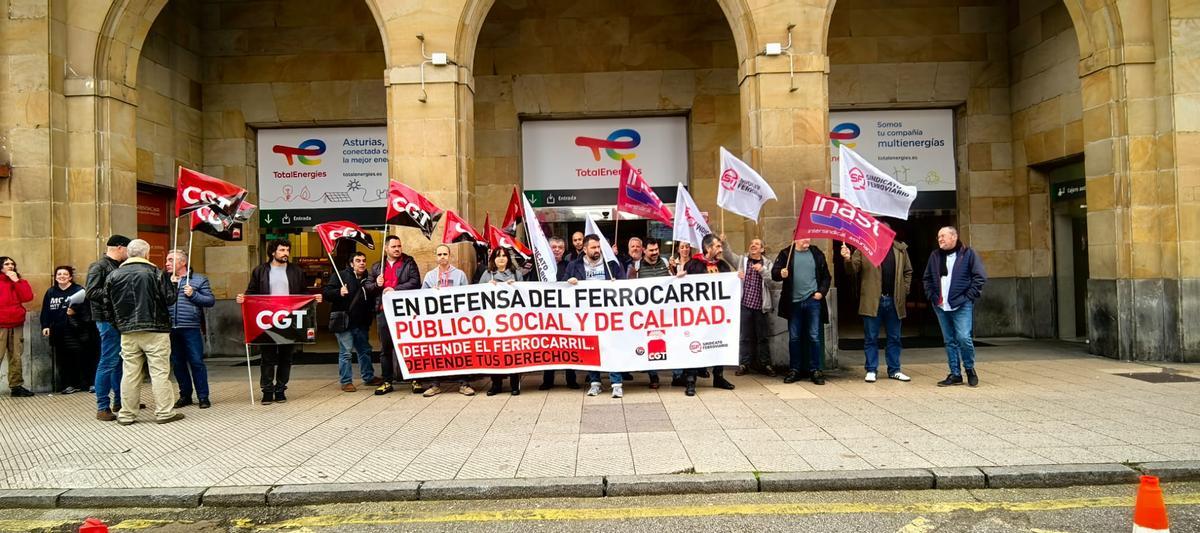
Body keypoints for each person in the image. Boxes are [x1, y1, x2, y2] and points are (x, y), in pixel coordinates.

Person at [106, 239, 183, 425]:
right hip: (155, 329)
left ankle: (126, 415)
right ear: (147, 254)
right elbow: (170, 300)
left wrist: (119, 325)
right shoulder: (156, 273)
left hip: (127, 331)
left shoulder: (114, 275)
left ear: (129, 253)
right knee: (159, 372)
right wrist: (173, 285)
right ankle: (164, 412)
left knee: (130, 373)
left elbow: (107, 305)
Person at [237, 239, 320, 404]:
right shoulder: (260, 271)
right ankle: (267, 390)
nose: (286, 253)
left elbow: (303, 293)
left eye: (287, 250)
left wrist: (313, 298)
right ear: (273, 252)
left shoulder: (296, 271)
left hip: (288, 319)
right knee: (267, 356)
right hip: (268, 319)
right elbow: (251, 292)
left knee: (286, 356)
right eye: (282, 250)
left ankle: (281, 389)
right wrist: (243, 298)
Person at [922, 226, 987, 387]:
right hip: (941, 305)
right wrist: (931, 295)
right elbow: (927, 278)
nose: (940, 239)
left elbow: (979, 277)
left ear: (954, 237)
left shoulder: (968, 254)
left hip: (961, 304)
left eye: (943, 236)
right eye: (938, 237)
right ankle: (955, 374)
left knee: (964, 338)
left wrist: (968, 297)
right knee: (949, 340)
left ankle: (970, 369)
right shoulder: (935, 256)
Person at [842, 236, 913, 383]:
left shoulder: (900, 249)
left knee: (894, 337)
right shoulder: (864, 248)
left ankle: (894, 370)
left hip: (894, 301)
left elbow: (908, 271)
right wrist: (848, 259)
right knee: (871, 338)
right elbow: (852, 270)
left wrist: (904, 290)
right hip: (872, 300)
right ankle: (871, 369)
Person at [565, 234, 626, 398]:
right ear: (584, 249)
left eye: (598, 247)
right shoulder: (573, 266)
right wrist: (569, 283)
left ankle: (616, 383)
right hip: (586, 316)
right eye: (593, 247)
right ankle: (595, 383)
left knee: (612, 346)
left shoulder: (612, 264)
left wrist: (617, 284)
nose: (597, 250)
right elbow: (562, 288)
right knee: (592, 347)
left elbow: (626, 285)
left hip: (609, 314)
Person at [681, 234, 736, 396]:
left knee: (719, 343)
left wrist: (737, 279)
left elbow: (729, 286)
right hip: (698, 316)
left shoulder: (724, 266)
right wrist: (679, 278)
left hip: (718, 316)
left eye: (720, 246)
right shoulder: (693, 265)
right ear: (708, 248)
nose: (720, 250)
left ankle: (718, 376)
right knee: (694, 345)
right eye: (717, 246)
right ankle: (690, 380)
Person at [771, 238, 831, 386]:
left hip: (813, 301)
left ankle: (815, 370)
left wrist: (821, 292)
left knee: (814, 336)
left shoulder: (816, 253)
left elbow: (826, 276)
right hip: (794, 303)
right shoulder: (786, 254)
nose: (807, 240)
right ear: (795, 239)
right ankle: (794, 370)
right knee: (794, 337)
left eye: (808, 237)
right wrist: (781, 273)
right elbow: (774, 273)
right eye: (804, 237)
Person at [365, 235, 420, 395]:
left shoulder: (409, 262)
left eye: (399, 246)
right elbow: (368, 287)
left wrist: (395, 290)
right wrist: (377, 284)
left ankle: (415, 379)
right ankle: (387, 381)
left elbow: (415, 282)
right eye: (394, 246)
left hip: (405, 312)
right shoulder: (377, 267)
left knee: (410, 346)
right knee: (386, 348)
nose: (397, 249)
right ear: (386, 248)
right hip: (384, 312)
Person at [323, 251, 383, 393]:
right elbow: (326, 293)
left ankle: (368, 377)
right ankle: (346, 381)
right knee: (346, 353)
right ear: (351, 263)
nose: (362, 263)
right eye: (358, 260)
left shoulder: (368, 278)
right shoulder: (341, 276)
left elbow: (373, 296)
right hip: (344, 322)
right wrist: (338, 292)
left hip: (361, 322)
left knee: (365, 351)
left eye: (363, 260)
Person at [420, 244, 475, 397]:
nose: (442, 256)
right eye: (439, 254)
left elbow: (467, 295)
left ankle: (464, 384)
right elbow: (422, 297)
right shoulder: (430, 276)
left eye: (445, 254)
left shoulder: (460, 275)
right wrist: (432, 292)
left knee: (460, 351)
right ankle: (435, 384)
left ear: (450, 256)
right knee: (436, 351)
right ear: (436, 257)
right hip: (437, 321)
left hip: (456, 321)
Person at [86, 235, 130, 419]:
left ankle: (120, 401)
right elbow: (91, 292)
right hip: (106, 319)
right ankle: (102, 406)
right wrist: (115, 291)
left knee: (118, 361)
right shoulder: (99, 266)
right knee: (108, 361)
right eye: (127, 249)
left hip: (117, 319)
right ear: (120, 248)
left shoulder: (117, 266)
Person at [165, 250, 216, 409]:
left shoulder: (199, 279)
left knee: (196, 362)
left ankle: (203, 396)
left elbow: (210, 300)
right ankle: (185, 395)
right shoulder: (165, 280)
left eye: (171, 260)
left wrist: (193, 294)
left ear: (182, 263)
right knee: (178, 363)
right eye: (167, 260)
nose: (166, 263)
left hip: (191, 327)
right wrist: (170, 287)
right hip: (171, 327)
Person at [720, 236, 777, 377]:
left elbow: (773, 283)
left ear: (762, 249)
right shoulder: (742, 260)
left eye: (757, 244)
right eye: (752, 243)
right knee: (744, 337)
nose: (753, 245)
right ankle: (744, 364)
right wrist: (724, 242)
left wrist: (762, 270)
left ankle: (765, 364)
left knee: (762, 337)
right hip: (744, 305)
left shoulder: (768, 264)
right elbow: (728, 255)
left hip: (761, 306)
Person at [629, 238, 680, 389]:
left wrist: (674, 269)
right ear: (644, 250)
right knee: (652, 344)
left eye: (656, 249)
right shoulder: (636, 267)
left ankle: (677, 376)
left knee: (672, 342)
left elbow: (677, 283)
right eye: (651, 250)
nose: (654, 253)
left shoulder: (665, 263)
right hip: (648, 315)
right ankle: (654, 376)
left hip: (667, 312)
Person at [477, 247, 523, 396]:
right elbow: (476, 295)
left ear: (508, 259)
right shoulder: (487, 274)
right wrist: (486, 287)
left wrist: (515, 287)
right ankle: (496, 384)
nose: (501, 258)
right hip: (493, 322)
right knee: (495, 352)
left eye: (504, 256)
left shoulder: (516, 274)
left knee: (513, 351)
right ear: (493, 259)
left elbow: (525, 295)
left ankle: (515, 384)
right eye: (498, 256)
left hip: (512, 321)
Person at [41, 266, 95, 394]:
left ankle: (88, 383)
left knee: (82, 357)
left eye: (65, 274)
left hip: (76, 331)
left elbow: (88, 309)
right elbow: (46, 311)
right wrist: (45, 326)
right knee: (63, 359)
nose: (62, 276)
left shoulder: (79, 290)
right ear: (55, 277)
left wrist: (74, 312)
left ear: (70, 277)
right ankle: (70, 384)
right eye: (59, 274)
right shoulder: (51, 292)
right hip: (58, 331)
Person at [540, 236, 578, 390]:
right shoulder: (540, 266)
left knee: (568, 345)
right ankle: (548, 380)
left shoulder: (570, 266)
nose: (556, 250)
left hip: (566, 313)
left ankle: (571, 379)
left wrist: (575, 282)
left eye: (560, 247)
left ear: (564, 250)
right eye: (553, 247)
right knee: (549, 347)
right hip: (546, 314)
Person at [0, 256, 34, 398]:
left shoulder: (20, 281)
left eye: (12, 264)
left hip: (16, 323)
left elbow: (27, 297)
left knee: (16, 356)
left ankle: (16, 386)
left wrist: (16, 282)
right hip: (1, 324)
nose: (11, 266)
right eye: (7, 264)